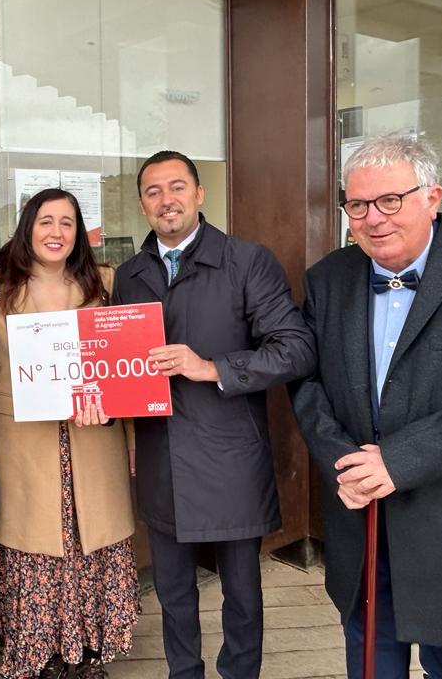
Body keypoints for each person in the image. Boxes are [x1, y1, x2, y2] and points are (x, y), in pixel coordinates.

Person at [112, 150, 315, 679]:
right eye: (153, 191)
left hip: (231, 455)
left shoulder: (247, 261)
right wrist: (103, 401)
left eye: (177, 187)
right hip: (162, 457)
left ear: (200, 195)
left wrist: (212, 368)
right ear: (141, 204)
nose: (166, 200)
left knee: (242, 594)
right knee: (173, 593)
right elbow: (119, 370)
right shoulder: (129, 276)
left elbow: (295, 348)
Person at [291, 136, 442, 678]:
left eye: (390, 201)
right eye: (357, 204)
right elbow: (306, 381)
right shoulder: (328, 278)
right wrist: (344, 462)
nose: (372, 218)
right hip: (363, 525)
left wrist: (397, 461)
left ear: (433, 197)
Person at [0, 188, 139, 679]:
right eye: (46, 221)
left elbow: (123, 364)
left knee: (90, 537)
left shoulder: (106, 282)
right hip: (21, 439)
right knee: (34, 541)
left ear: (79, 232)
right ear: (28, 227)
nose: (56, 232)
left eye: (67, 223)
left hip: (94, 437)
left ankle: (90, 650)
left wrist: (122, 428)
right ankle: (38, 652)